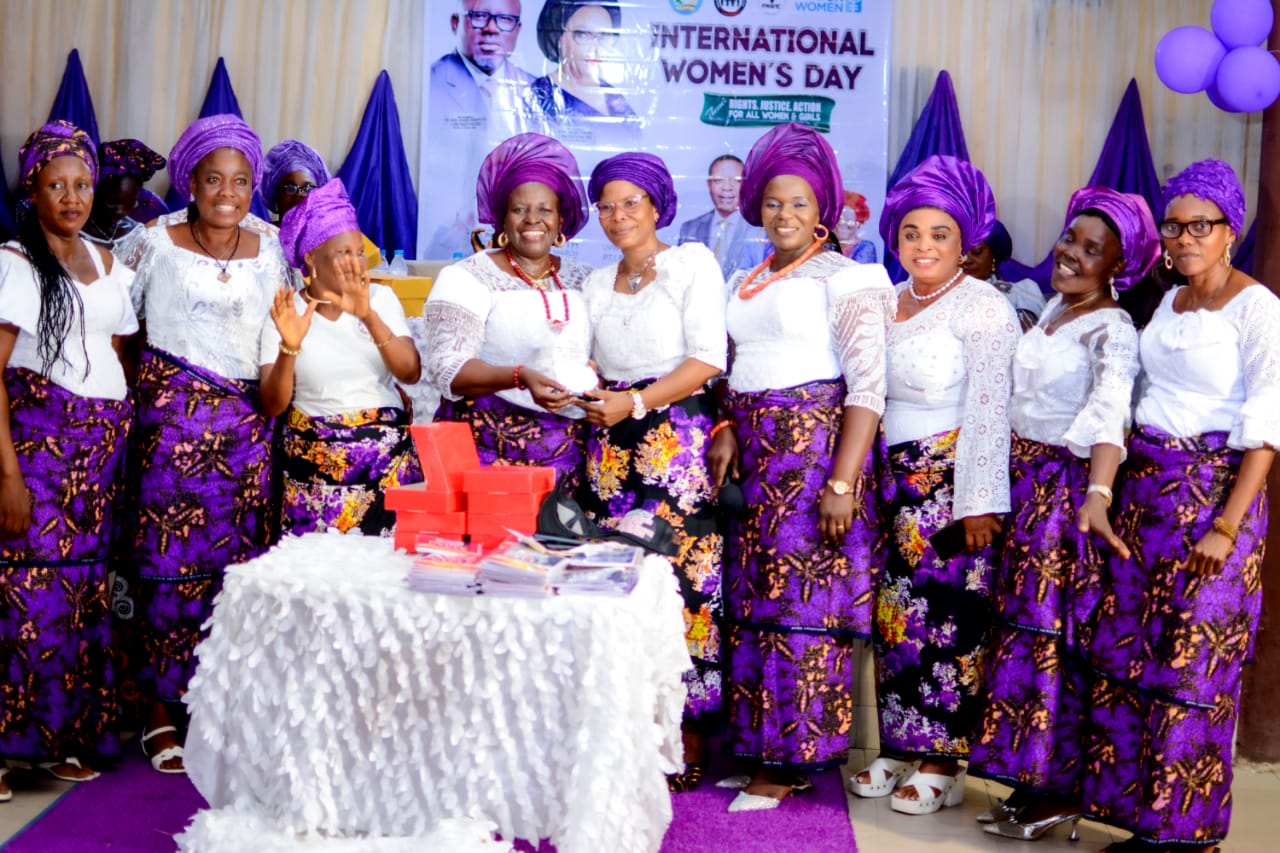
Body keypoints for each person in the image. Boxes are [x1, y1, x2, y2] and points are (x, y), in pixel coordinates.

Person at [1081, 160, 1279, 853]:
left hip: (1213, 508)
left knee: (1195, 671)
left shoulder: (1258, 308)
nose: (1185, 236)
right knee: (1142, 663)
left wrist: (1227, 527)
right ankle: (1152, 823)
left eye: (1202, 225)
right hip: (1148, 501)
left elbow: (1267, 427)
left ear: (1231, 231)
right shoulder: (1169, 301)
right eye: (1174, 224)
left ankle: (1191, 834)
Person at [709, 123, 894, 812]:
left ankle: (791, 760)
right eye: (773, 204)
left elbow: (868, 385)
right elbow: (731, 363)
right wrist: (727, 421)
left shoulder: (851, 277)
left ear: (824, 208)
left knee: (802, 607)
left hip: (814, 456)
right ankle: (759, 745)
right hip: (755, 459)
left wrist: (843, 481)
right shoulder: (747, 277)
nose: (785, 216)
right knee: (755, 600)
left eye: (799, 203)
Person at [968, 187, 1157, 841]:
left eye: (1092, 249)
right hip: (1022, 481)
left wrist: (1095, 493)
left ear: (1118, 266)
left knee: (1053, 638)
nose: (1072, 253)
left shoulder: (1114, 327)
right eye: (1071, 238)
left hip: (1062, 491)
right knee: (1020, 633)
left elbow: (1110, 412)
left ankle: (1061, 784)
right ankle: (1030, 777)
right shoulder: (1051, 307)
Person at [114, 114, 292, 775]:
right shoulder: (151, 241)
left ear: (254, 187)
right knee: (163, 568)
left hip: (247, 435)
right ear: (190, 180)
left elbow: (285, 333)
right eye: (213, 178)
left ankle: (221, 699)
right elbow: (116, 326)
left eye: (241, 180)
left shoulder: (275, 246)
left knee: (236, 573)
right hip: (169, 433)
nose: (227, 191)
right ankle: (159, 708)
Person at [851, 154, 1018, 815]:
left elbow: (989, 406)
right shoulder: (886, 302)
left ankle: (943, 760)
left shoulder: (984, 307)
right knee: (897, 620)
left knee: (950, 623)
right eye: (912, 232)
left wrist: (979, 501)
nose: (923, 245)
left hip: (953, 486)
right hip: (891, 483)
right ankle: (898, 743)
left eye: (939, 233)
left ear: (967, 237)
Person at [579, 152, 726, 792]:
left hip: (676, 441)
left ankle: (686, 737)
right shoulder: (590, 283)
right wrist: (580, 389)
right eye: (606, 206)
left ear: (658, 205)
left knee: (686, 582)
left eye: (630, 203)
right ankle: (628, 731)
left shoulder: (692, 264)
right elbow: (583, 359)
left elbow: (708, 359)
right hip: (610, 446)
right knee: (620, 584)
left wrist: (637, 401)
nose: (618, 217)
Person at [0, 122, 138, 800]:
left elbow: (113, 351)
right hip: (37, 450)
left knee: (79, 597)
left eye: (82, 183)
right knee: (23, 595)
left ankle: (57, 742)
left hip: (97, 457)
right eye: (57, 184)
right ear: (33, 190)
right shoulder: (16, 263)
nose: (73, 196)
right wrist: (8, 475)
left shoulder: (111, 263)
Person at [422, 133, 593, 480]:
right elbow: (447, 370)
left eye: (545, 210)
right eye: (520, 210)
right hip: (485, 459)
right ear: (502, 220)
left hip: (569, 462)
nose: (533, 220)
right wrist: (520, 376)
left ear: (561, 221)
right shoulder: (467, 277)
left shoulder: (586, 280)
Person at [260, 179, 422, 537]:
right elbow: (272, 404)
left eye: (359, 252)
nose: (356, 263)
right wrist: (290, 347)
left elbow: (410, 372)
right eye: (343, 253)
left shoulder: (379, 300)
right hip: (313, 474)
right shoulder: (288, 310)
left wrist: (367, 316)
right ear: (311, 257)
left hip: (387, 467)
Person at [260, 140, 381, 272]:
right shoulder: (260, 237)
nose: (299, 195)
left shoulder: (336, 238)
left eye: (308, 188)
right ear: (275, 193)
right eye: (290, 187)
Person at [429, 0, 534, 126]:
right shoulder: (428, 84)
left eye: (505, 18)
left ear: (517, 29)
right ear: (455, 23)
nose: (491, 28)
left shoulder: (536, 90)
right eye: (479, 16)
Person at [530, 1, 635, 122]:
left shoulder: (615, 98)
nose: (595, 47)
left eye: (604, 35)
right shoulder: (540, 96)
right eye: (583, 35)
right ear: (558, 37)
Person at [676, 154, 769, 280]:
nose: (727, 188)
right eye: (719, 180)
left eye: (736, 180)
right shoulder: (690, 229)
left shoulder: (759, 229)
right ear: (709, 184)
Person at [961, 219, 1046, 332]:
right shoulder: (937, 293)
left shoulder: (1021, 294)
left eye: (977, 252)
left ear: (994, 257)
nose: (966, 260)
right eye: (960, 251)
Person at [83, 138, 168, 248]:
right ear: (95, 190)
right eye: (112, 201)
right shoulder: (74, 230)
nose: (120, 211)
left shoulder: (136, 234)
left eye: (130, 204)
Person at [835, 189, 878, 264]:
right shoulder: (826, 245)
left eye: (847, 219)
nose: (841, 223)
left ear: (858, 223)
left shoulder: (865, 248)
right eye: (838, 218)